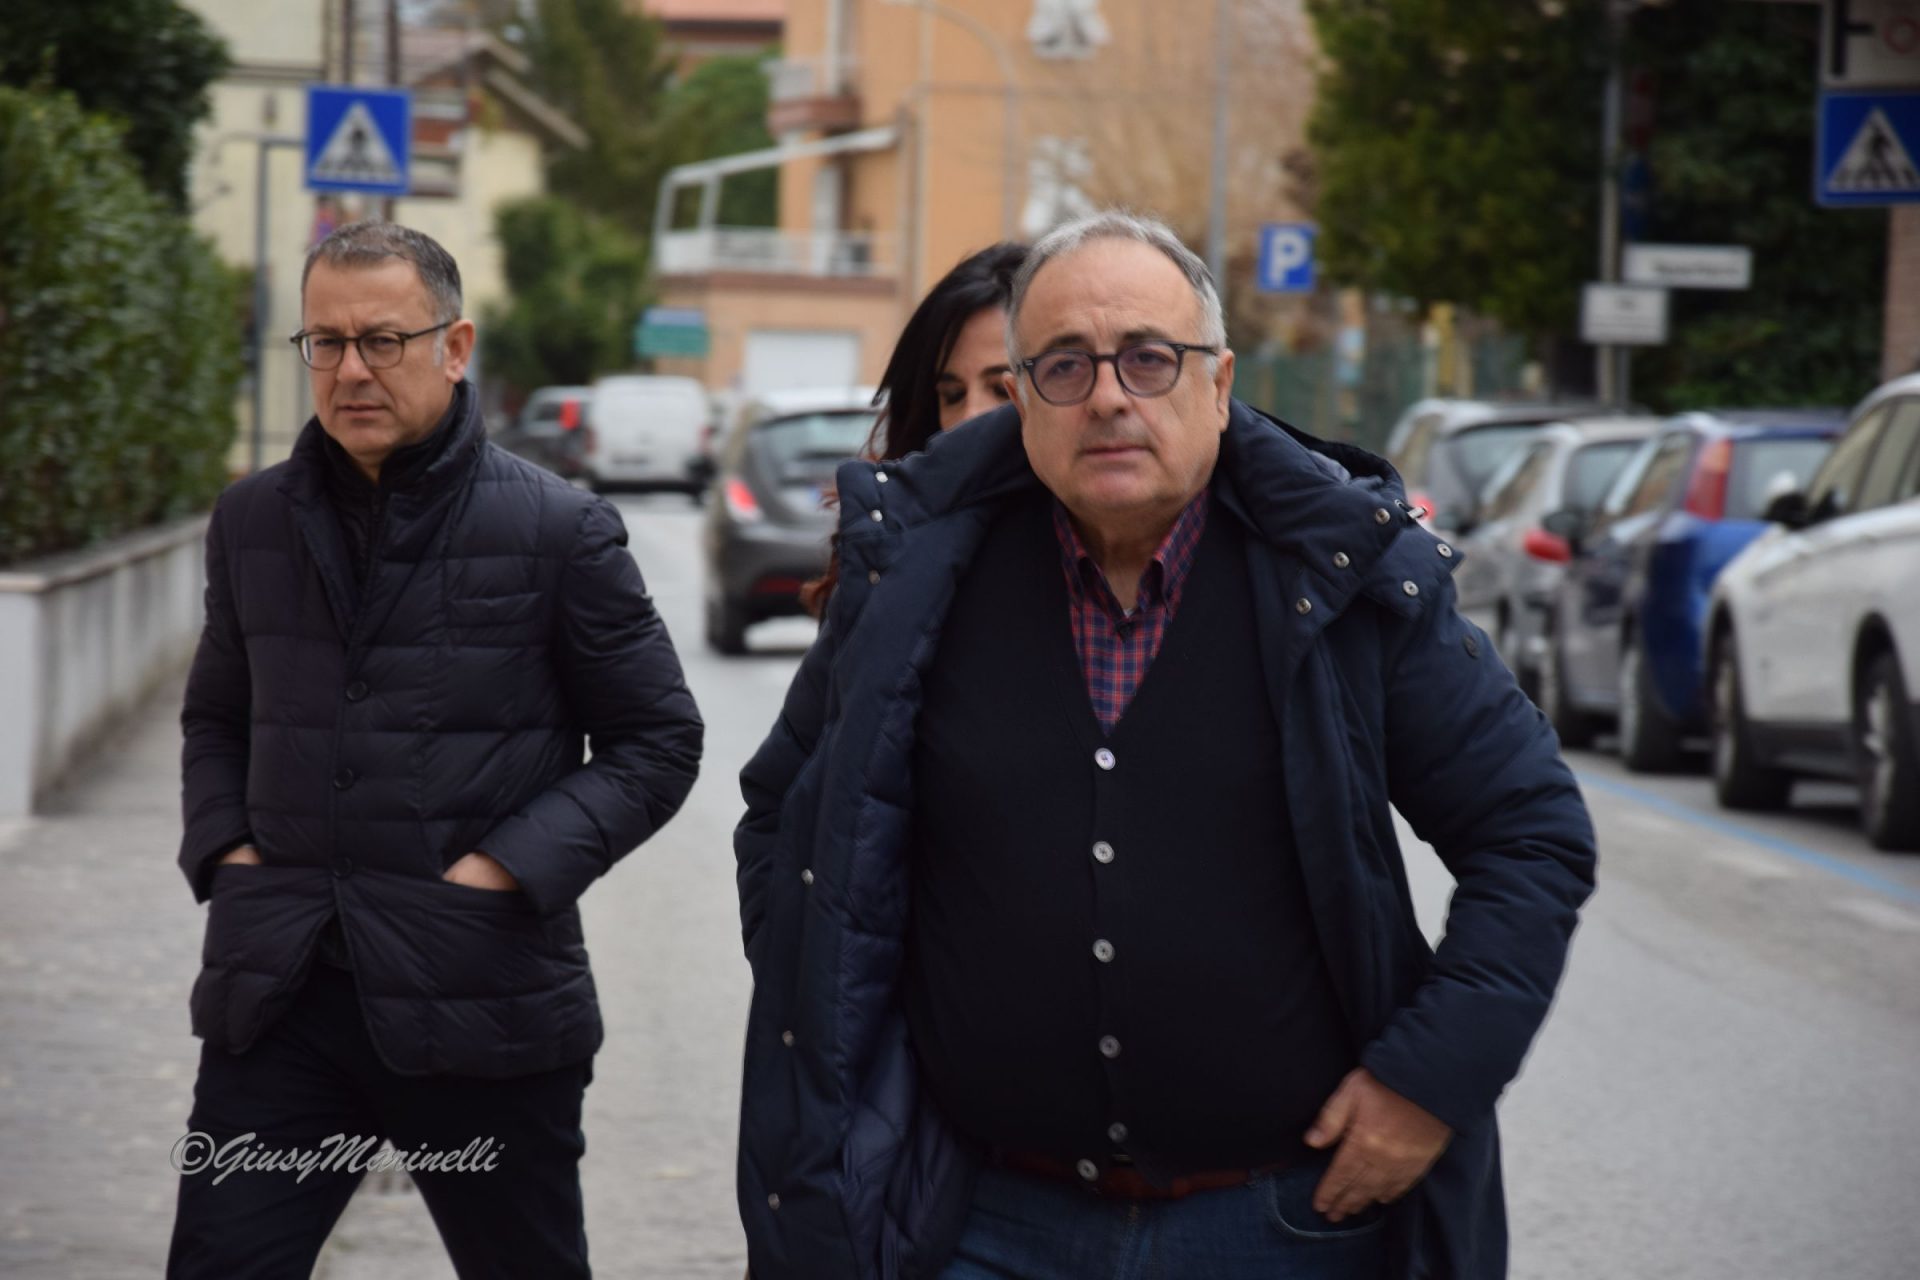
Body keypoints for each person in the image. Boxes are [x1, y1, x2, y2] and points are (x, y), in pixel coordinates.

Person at [733, 211, 1595, 1279]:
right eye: (1063, 365)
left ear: (1219, 384)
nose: (1108, 396)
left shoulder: (1343, 582)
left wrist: (1430, 1080)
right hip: (980, 1222)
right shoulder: (916, 580)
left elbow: (1530, 832)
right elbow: (786, 816)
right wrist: (838, 1015)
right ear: (1024, 398)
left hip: (1279, 1228)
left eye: (1149, 358)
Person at [169, 221, 703, 1279]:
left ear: (455, 348)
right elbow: (217, 716)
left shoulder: (560, 530)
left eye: (383, 340)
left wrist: (504, 870)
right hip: (280, 997)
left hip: (483, 999)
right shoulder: (250, 519)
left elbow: (657, 739)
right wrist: (228, 853)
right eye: (325, 342)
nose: (350, 370)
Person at [803, 242, 1027, 615]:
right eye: (952, 395)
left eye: (1000, 390)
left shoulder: (1100, 541)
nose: (971, 415)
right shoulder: (888, 540)